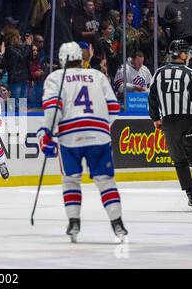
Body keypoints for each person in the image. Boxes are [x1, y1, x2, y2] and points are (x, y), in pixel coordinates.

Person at [37, 41, 128, 243]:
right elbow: (114, 108)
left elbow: (53, 109)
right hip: (99, 137)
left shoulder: (55, 78)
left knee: (71, 180)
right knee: (105, 181)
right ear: (81, 57)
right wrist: (101, 128)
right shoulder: (98, 76)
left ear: (61, 59)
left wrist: (47, 134)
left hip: (70, 137)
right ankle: (117, 223)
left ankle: (74, 222)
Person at [148, 40, 192, 210]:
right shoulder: (190, 74)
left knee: (180, 161)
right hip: (190, 121)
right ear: (182, 55)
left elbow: (152, 98)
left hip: (168, 123)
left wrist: (155, 118)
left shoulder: (158, 73)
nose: (189, 56)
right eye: (188, 53)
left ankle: (191, 195)